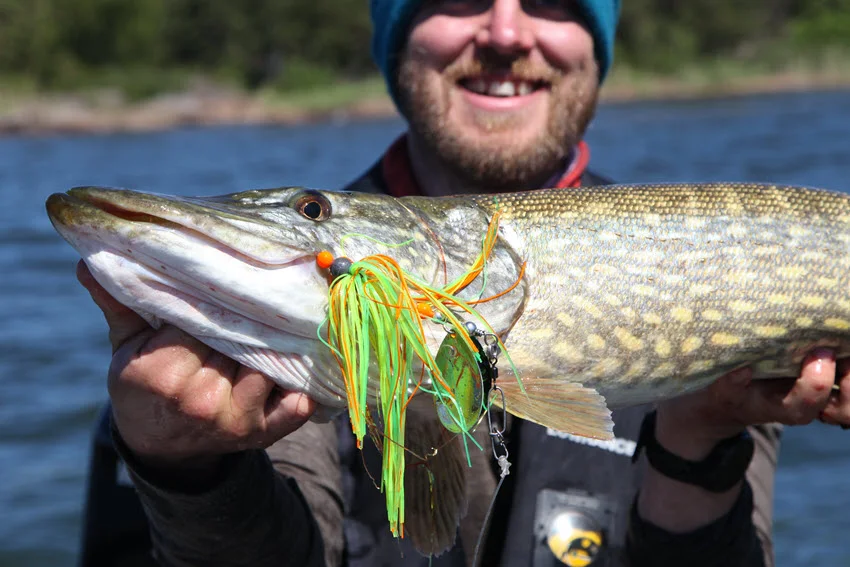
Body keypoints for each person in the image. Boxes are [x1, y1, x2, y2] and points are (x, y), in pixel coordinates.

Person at [76, 1, 850, 566]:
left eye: (551, 1)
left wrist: (696, 441)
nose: (507, 31)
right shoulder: (281, 329)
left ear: (594, 41)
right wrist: (189, 471)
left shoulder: (701, 261)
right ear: (396, 34)